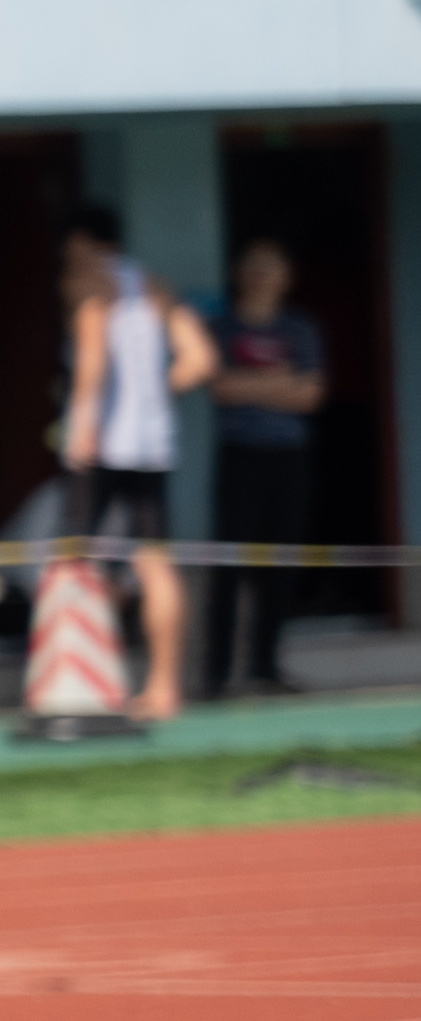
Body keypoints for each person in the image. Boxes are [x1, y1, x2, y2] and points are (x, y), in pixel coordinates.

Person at [54, 202, 214, 723]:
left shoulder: (89, 284)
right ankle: (164, 688)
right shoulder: (156, 287)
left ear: (83, 243)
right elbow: (201, 360)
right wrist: (153, 398)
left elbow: (93, 358)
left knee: (73, 560)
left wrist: (82, 424)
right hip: (152, 445)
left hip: (102, 444)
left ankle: (74, 683)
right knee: (154, 562)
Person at [195, 236, 327, 702]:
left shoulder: (300, 328)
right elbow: (220, 388)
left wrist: (252, 385)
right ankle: (216, 674)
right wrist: (276, 382)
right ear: (238, 273)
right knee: (230, 564)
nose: (260, 276)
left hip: (288, 456)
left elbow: (310, 395)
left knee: (281, 564)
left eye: (270, 268)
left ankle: (266, 668)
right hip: (241, 453)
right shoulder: (223, 327)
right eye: (252, 267)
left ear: (287, 277)